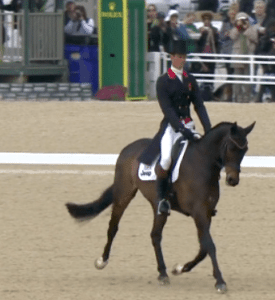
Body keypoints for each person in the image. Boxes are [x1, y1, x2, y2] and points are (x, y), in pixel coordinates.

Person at [138, 39, 212, 215]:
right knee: (165, 160)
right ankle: (162, 199)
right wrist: (182, 130)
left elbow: (199, 106)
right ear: (172, 57)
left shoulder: (190, 79)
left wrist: (209, 130)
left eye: (184, 57)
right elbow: (168, 111)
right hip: (171, 128)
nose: (182, 60)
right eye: (179, 57)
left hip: (189, 125)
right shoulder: (163, 81)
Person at [230, 12, 258, 102]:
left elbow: (255, 38)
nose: (242, 22)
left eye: (244, 20)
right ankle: (238, 97)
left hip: (248, 56)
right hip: (238, 57)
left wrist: (246, 28)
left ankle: (247, 97)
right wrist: (238, 28)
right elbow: (232, 36)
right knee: (237, 79)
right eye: (240, 20)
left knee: (248, 79)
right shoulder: (235, 29)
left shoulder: (252, 29)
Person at [197, 11, 220, 102]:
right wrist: (202, 34)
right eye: (205, 19)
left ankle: (209, 93)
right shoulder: (200, 30)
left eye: (208, 19)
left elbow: (217, 43)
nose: (206, 21)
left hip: (212, 54)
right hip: (203, 55)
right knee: (203, 74)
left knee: (211, 74)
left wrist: (217, 53)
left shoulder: (214, 30)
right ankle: (203, 94)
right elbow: (198, 43)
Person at [219, 3, 239, 102]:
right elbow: (221, 36)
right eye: (230, 11)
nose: (232, 13)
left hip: (236, 50)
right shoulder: (225, 23)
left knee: (237, 74)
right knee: (230, 74)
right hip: (227, 51)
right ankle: (229, 95)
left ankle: (236, 95)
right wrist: (226, 34)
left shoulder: (239, 23)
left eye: (234, 11)